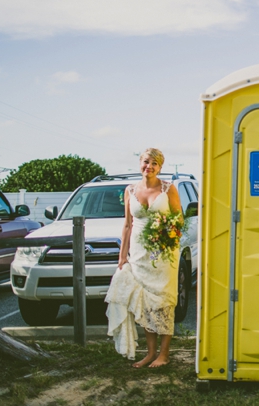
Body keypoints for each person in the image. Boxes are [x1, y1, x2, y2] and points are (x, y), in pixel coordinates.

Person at [105, 148, 183, 368]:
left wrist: (165, 234)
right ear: (140, 163)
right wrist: (122, 257)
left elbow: (179, 222)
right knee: (146, 302)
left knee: (164, 301)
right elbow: (128, 225)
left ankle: (164, 354)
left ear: (160, 168)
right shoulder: (129, 190)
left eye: (155, 164)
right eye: (146, 162)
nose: (149, 166)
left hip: (164, 254)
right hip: (139, 254)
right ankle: (150, 353)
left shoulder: (169, 189)